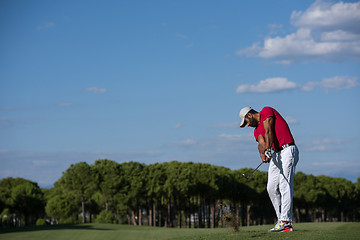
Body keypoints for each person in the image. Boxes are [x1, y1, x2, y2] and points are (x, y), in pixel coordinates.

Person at [239, 106, 299, 232]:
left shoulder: (266, 110)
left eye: (246, 122)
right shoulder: (256, 131)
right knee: (271, 188)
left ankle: (286, 222)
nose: (248, 125)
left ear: (250, 115)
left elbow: (268, 131)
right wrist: (263, 154)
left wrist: (267, 149)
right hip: (276, 154)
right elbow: (261, 142)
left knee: (284, 185)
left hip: (287, 150)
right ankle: (280, 220)